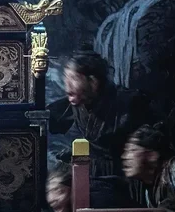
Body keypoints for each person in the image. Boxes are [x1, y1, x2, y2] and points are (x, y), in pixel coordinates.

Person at [48, 45, 153, 177]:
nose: (67, 84)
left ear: (93, 82)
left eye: (74, 78)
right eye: (66, 77)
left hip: (127, 175)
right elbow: (52, 121)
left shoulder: (130, 103)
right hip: (95, 173)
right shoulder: (78, 101)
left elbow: (151, 139)